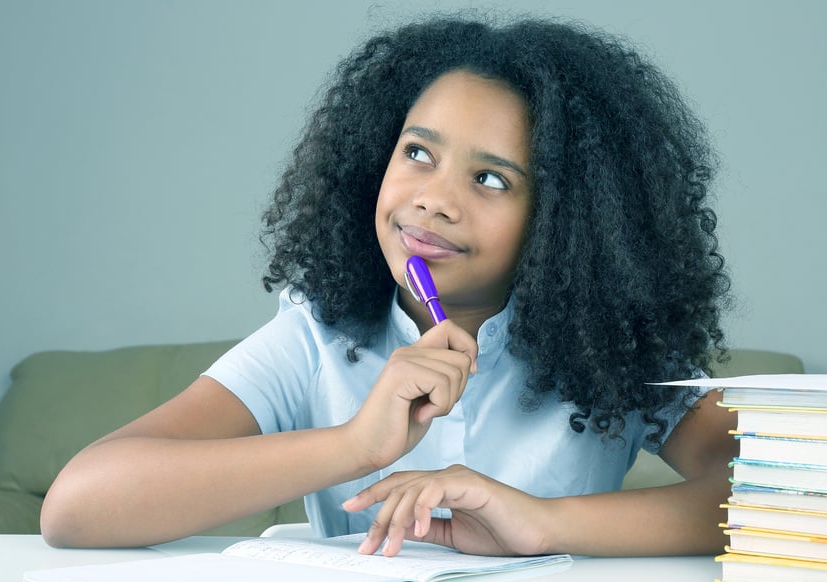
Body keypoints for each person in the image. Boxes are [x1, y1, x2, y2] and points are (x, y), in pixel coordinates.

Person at [40, 14, 736, 558]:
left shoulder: (614, 348)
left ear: (569, 221)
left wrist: (539, 522)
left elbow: (789, 501)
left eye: (490, 178)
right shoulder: (317, 335)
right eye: (417, 153)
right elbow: (78, 506)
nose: (431, 200)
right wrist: (354, 445)